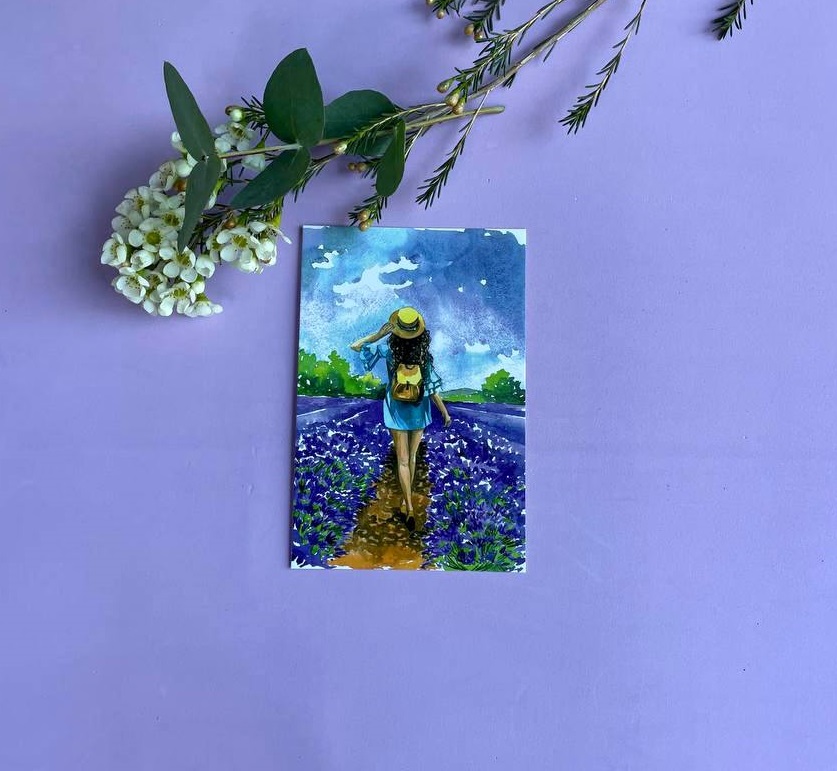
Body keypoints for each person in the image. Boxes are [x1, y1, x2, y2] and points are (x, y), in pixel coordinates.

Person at [350, 307, 451, 532]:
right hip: (419, 408)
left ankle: (409, 508)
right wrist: (444, 412)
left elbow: (355, 346)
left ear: (397, 330)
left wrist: (378, 335)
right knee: (412, 458)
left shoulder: (388, 351)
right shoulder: (423, 356)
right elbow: (433, 390)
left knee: (402, 460)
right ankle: (407, 502)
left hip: (396, 408)